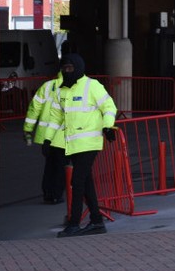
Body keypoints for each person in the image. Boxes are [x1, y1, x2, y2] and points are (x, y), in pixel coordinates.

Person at [44, 53, 118, 238]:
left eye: (70, 68)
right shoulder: (61, 91)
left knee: (76, 181)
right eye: (64, 68)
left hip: (89, 143)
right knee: (85, 182)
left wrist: (108, 126)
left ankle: (75, 223)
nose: (67, 72)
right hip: (73, 144)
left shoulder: (92, 86)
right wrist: (47, 139)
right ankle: (96, 221)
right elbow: (55, 118)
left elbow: (109, 106)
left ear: (78, 68)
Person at [23, 68, 69, 204]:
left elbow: (34, 108)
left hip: (45, 135)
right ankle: (56, 194)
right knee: (62, 166)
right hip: (63, 135)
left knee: (50, 165)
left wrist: (27, 129)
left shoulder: (47, 86)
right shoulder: (74, 87)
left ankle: (48, 194)